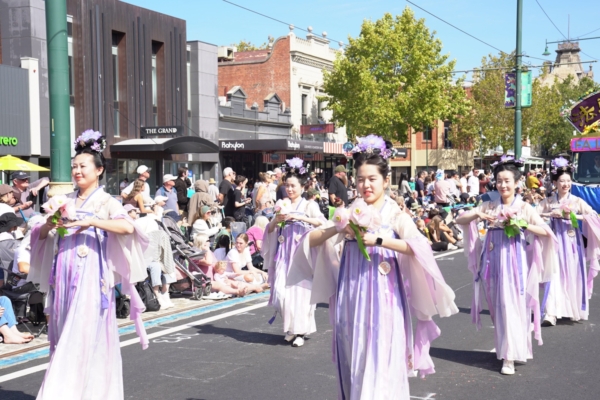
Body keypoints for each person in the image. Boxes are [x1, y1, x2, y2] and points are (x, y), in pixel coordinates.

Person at [294, 135, 457, 398]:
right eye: (360, 179)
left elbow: (419, 246)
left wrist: (380, 240)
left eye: (372, 179)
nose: (366, 185)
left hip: (385, 299)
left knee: (381, 358)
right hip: (351, 297)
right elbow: (310, 240)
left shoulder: (395, 213)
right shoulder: (350, 211)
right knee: (354, 356)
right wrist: (338, 227)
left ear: (385, 180)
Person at [30, 130, 149, 399]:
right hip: (63, 274)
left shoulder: (106, 201)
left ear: (99, 170)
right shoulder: (64, 200)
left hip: (92, 275)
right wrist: (49, 223)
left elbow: (128, 227)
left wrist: (93, 221)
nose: (77, 171)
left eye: (83, 166)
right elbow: (39, 234)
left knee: (83, 333)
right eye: (74, 166)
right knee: (64, 330)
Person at [456, 155, 557, 375]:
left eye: (507, 181)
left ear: (517, 182)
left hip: (514, 265)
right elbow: (459, 220)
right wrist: (477, 213)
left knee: (511, 306)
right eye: (499, 181)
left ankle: (510, 356)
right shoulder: (489, 205)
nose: (503, 185)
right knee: (496, 308)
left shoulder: (524, 207)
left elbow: (546, 231)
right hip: (491, 263)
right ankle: (506, 347)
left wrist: (522, 224)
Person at [263, 158, 325, 347]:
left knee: (301, 295)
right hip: (284, 254)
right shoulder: (283, 204)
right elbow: (270, 228)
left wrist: (299, 217)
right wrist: (277, 220)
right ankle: (291, 327)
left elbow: (322, 222)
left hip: (301, 255)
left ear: (302, 187)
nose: (289, 189)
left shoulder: (308, 205)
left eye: (293, 186)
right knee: (281, 294)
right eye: (287, 185)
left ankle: (300, 331)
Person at [536, 157, 600, 326]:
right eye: (562, 181)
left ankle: (572, 309)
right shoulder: (549, 201)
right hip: (554, 243)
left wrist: (572, 216)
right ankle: (551, 313)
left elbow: (593, 215)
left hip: (572, 243)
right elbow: (534, 215)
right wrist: (549, 215)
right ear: (555, 183)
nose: (565, 184)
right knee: (553, 275)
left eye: (568, 181)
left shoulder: (577, 201)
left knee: (572, 275)